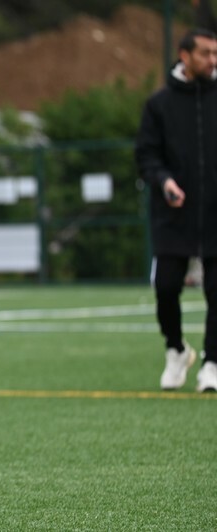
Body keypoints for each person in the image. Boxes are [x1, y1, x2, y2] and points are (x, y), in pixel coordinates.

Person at [135, 28, 217, 392]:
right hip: (173, 213)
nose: (212, 60)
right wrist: (164, 180)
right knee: (166, 287)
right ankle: (177, 349)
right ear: (185, 56)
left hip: (215, 213)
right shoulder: (159, 104)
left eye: (216, 53)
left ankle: (212, 363)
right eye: (205, 53)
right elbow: (146, 155)